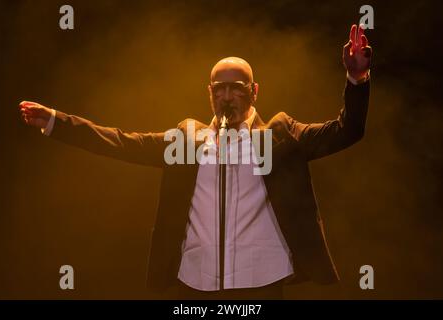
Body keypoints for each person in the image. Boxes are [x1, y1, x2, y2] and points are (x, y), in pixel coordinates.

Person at [19, 24, 372, 300]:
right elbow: (120, 142)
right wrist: (55, 121)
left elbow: (347, 130)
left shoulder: (279, 136)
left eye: (238, 86)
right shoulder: (188, 141)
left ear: (254, 91)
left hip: (260, 281)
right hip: (195, 283)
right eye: (220, 87)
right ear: (210, 93)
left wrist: (356, 79)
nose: (228, 94)